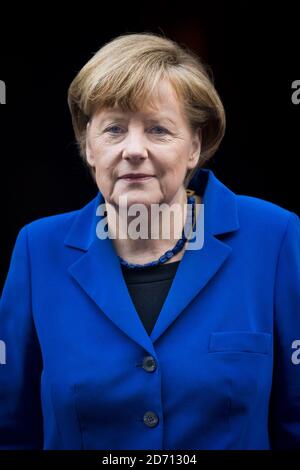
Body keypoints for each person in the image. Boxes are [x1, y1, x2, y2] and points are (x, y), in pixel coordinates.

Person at [0, 32, 299, 450]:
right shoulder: (37, 249)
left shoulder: (275, 236)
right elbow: (12, 431)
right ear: (88, 146)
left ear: (194, 146)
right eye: (114, 129)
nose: (133, 150)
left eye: (158, 129)